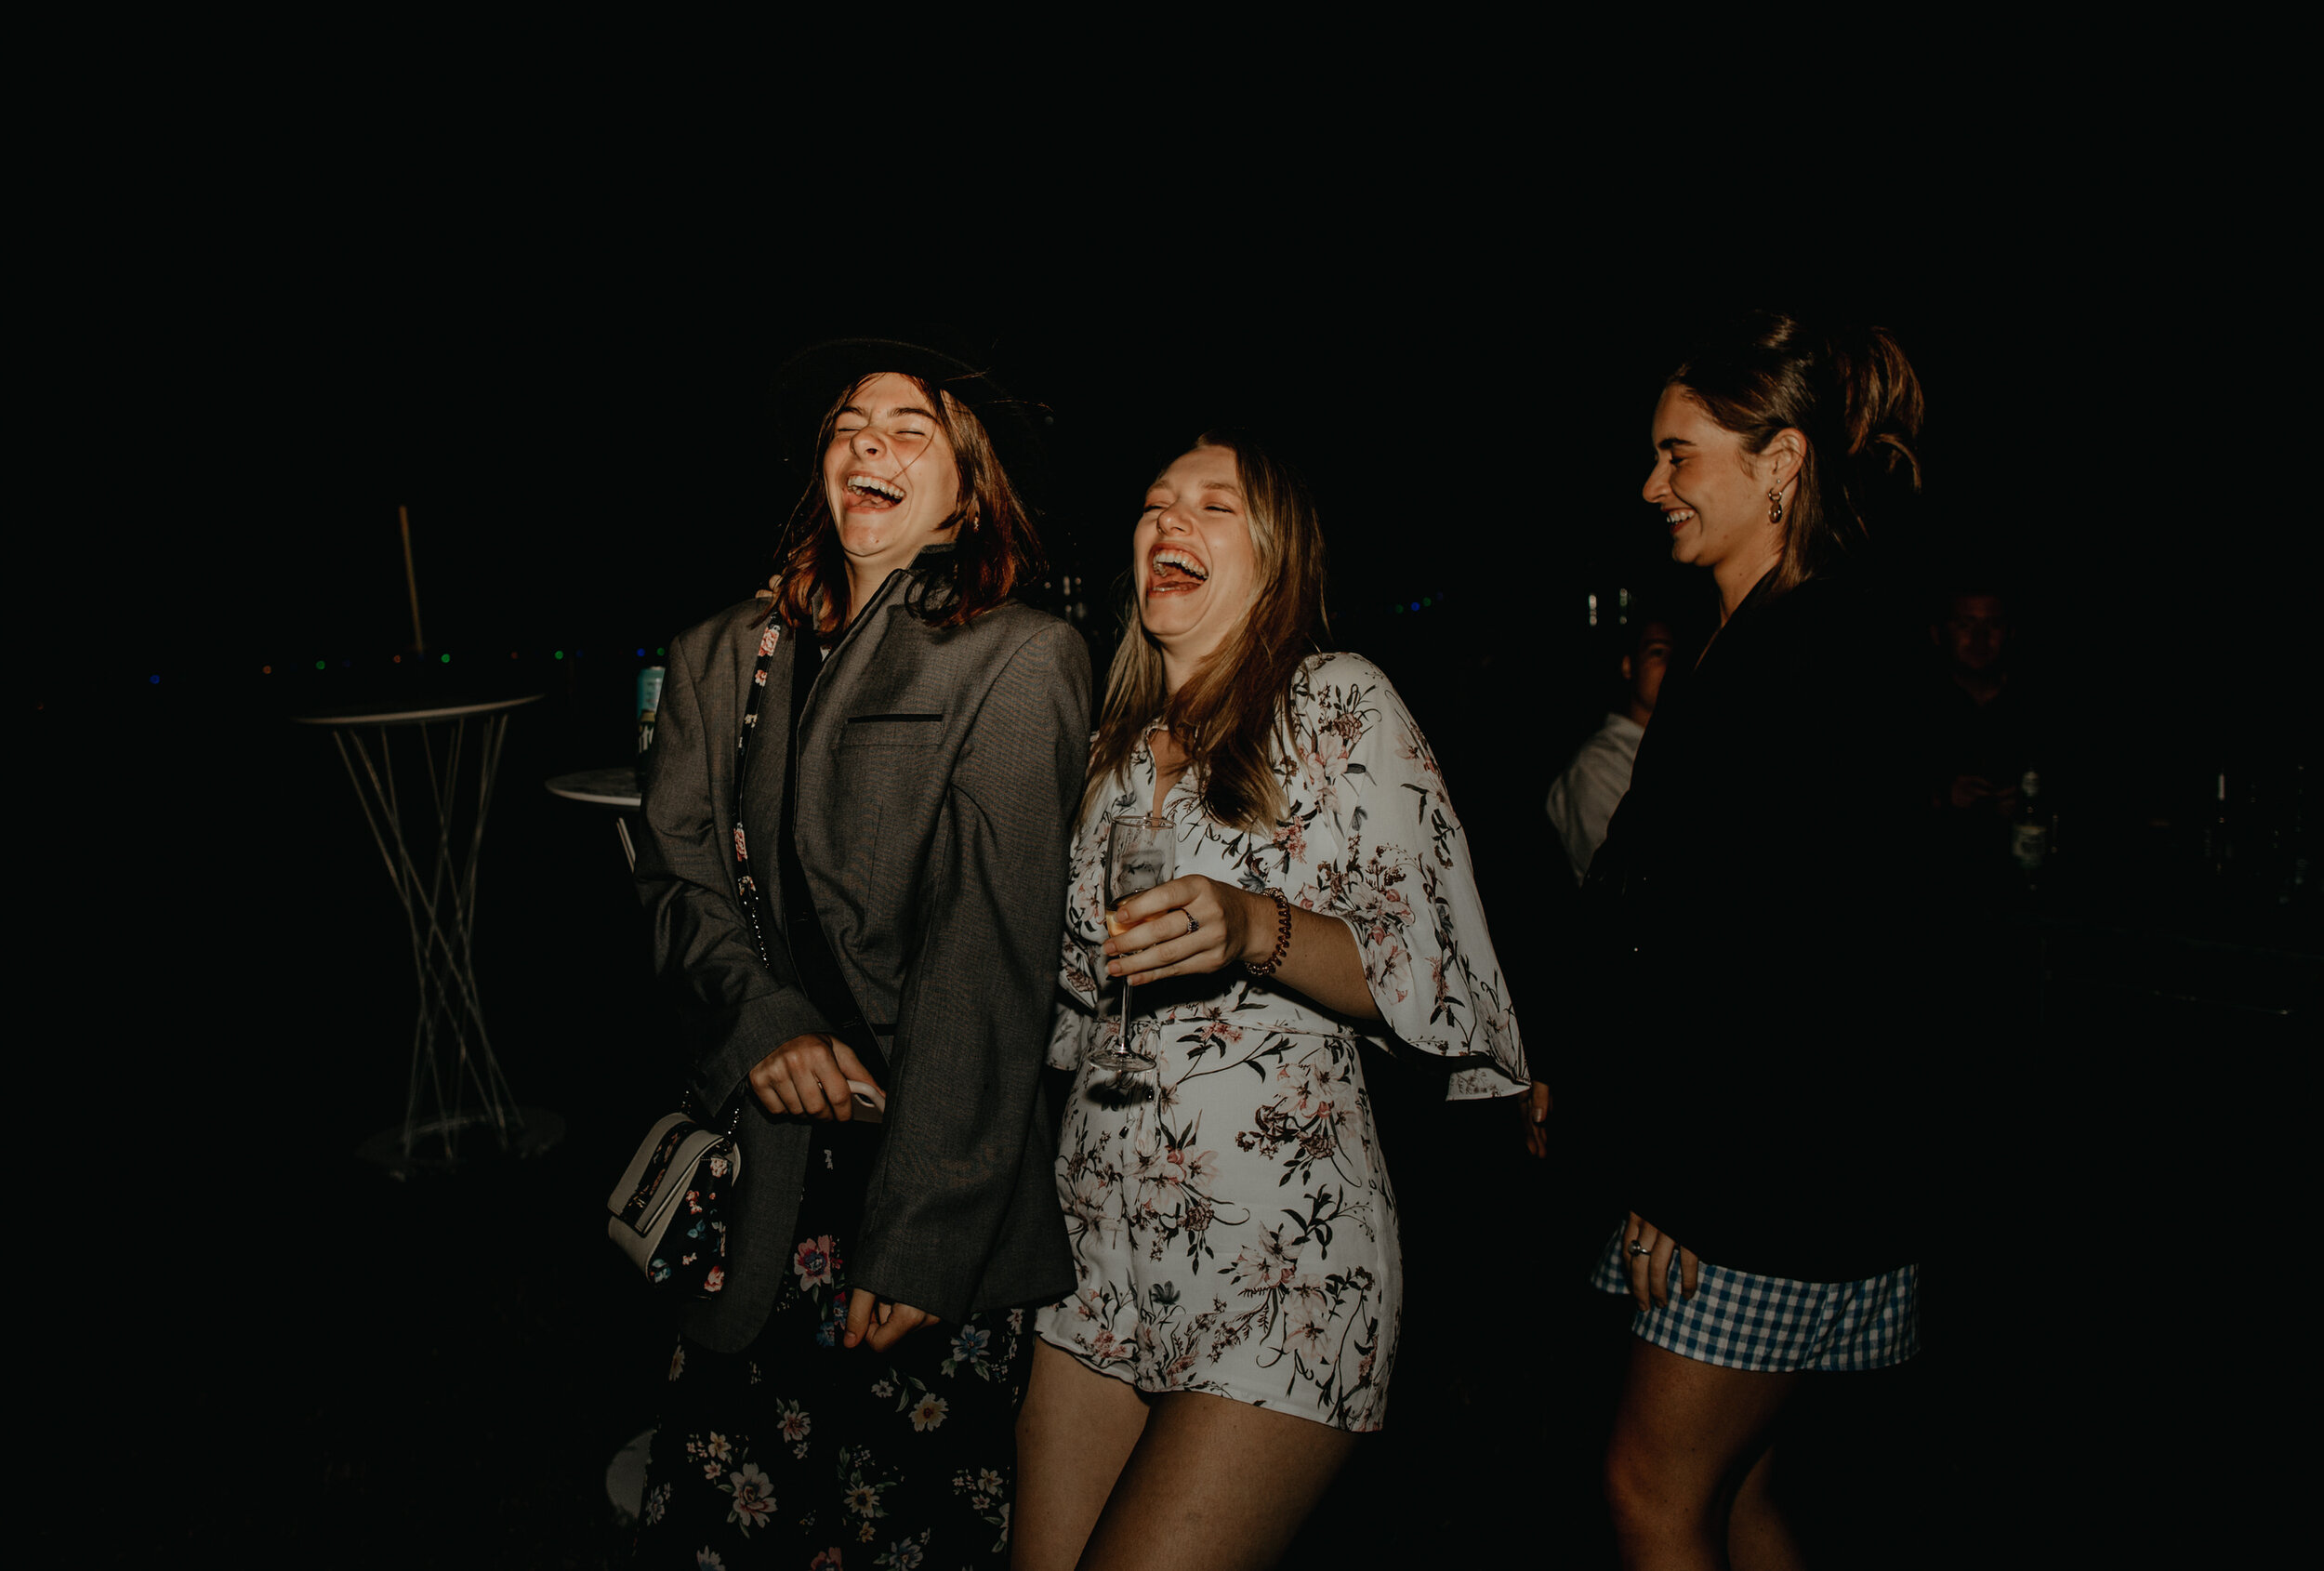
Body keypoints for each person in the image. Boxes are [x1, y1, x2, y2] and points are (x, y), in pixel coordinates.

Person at [1011, 430, 1530, 1571]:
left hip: (1280, 1261)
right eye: (1153, 503)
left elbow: (1429, 970)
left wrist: (1253, 928)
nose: (1168, 521)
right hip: (1093, 1248)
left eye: (1213, 504)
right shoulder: (1099, 745)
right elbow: (1052, 988)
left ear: (1279, 557)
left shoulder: (1337, 704)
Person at [629, 339, 1090, 1567]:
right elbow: (673, 880)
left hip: (924, 1176)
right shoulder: (718, 653)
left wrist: (925, 1232)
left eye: (910, 428)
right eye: (847, 424)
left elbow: (989, 954)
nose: (867, 445)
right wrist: (759, 1021)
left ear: (969, 486)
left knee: (908, 1531)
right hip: (763, 1181)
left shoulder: (1019, 654)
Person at [1580, 313, 1934, 1569]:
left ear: (1780, 463)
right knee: (1732, 1497)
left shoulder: (1815, 653)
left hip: (1760, 1174)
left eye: (1680, 456)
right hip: (1779, 1161)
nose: (1652, 486)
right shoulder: (1757, 641)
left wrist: (1689, 1177)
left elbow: (1802, 959)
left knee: (1650, 1491)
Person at [1547, 615, 1679, 884]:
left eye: (1678, 654)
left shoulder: (1676, 747)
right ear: (1629, 665)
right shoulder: (1596, 765)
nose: (1671, 666)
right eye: (1658, 652)